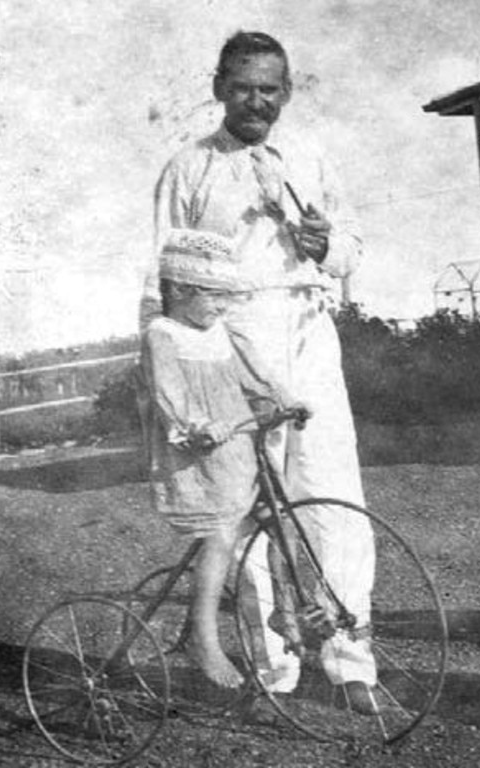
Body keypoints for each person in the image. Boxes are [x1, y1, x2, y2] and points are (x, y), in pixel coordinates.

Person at [140, 30, 378, 713]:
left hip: (307, 333)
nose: (256, 100)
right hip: (228, 344)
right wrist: (164, 378)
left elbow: (352, 246)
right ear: (218, 87)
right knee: (245, 509)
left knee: (333, 497)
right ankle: (272, 669)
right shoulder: (189, 168)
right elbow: (159, 281)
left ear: (287, 92)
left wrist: (325, 244)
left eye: (269, 89)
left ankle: (350, 659)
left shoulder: (309, 156)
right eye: (242, 86)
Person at [141, 228, 296, 689]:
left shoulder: (222, 333)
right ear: (180, 291)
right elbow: (168, 393)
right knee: (221, 536)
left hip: (239, 450)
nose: (222, 306)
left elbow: (253, 379)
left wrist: (283, 399)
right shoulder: (162, 333)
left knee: (278, 517)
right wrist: (196, 424)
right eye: (215, 297)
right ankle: (203, 639)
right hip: (197, 457)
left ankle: (287, 611)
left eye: (228, 298)